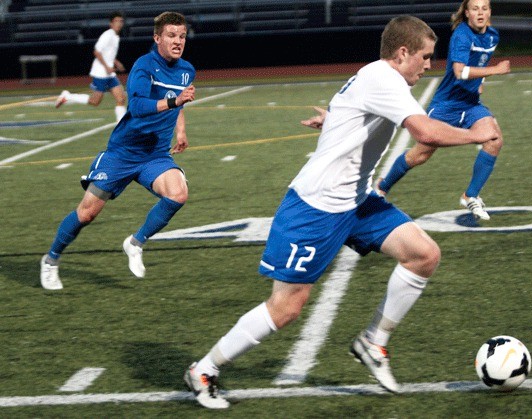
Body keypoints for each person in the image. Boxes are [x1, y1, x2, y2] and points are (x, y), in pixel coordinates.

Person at [183, 15, 498, 409]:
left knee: (424, 254)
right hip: (316, 207)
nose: (429, 64)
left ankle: (373, 343)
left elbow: (351, 110)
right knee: (286, 308)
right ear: (403, 53)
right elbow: (426, 132)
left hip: (356, 200)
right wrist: (475, 135)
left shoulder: (378, 78)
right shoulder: (384, 79)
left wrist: (332, 122)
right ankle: (204, 370)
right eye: (425, 56)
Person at [40, 12, 195, 290]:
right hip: (123, 153)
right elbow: (137, 107)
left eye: (182, 36)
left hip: (155, 155)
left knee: (178, 193)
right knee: (87, 213)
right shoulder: (144, 66)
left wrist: (180, 129)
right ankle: (51, 260)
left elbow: (179, 101)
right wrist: (174, 102)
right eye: (171, 35)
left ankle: (135, 243)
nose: (178, 41)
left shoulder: (186, 70)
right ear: (157, 37)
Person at [375, 0, 510, 220]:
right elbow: (459, 72)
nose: (480, 13)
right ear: (466, 13)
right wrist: (495, 70)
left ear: (489, 12)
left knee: (495, 139)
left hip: (471, 103)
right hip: (447, 104)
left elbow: (480, 61)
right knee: (420, 154)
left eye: (484, 8)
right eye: (475, 8)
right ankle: (382, 187)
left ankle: (470, 196)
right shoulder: (462, 35)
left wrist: (482, 80)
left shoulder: (493, 35)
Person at [55, 11, 127, 123]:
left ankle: (121, 127)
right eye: (116, 21)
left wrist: (116, 63)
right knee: (95, 101)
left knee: (121, 98)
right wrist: (107, 67)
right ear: (111, 23)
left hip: (109, 74)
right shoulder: (107, 35)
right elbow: (97, 52)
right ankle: (67, 96)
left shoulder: (115, 37)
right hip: (101, 73)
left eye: (121, 21)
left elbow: (108, 54)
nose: (119, 23)